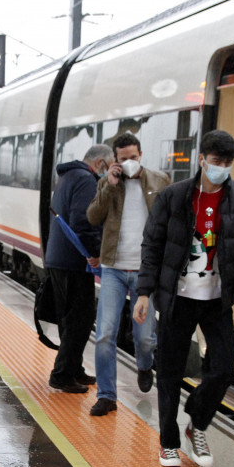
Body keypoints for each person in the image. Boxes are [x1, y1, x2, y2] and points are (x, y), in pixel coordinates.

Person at [135, 130, 234, 467]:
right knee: (171, 372)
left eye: (227, 163)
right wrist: (144, 292)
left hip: (217, 299)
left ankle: (197, 424)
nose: (222, 168)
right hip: (177, 297)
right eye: (216, 161)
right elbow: (153, 246)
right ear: (202, 159)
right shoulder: (174, 197)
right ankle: (168, 442)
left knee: (222, 368)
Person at [86, 133, 170, 410]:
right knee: (105, 333)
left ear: (141, 156)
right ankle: (107, 395)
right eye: (123, 160)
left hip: (146, 272)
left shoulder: (160, 181)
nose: (129, 163)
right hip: (113, 269)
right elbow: (93, 217)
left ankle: (144, 365)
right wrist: (109, 185)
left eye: (133, 158)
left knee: (145, 337)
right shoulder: (106, 183)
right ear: (115, 161)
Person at [45, 144, 111, 396]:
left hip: (61, 258)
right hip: (74, 260)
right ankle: (62, 375)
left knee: (71, 318)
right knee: (80, 319)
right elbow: (84, 221)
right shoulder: (86, 180)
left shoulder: (68, 176)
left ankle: (74, 369)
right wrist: (94, 253)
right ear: (100, 163)